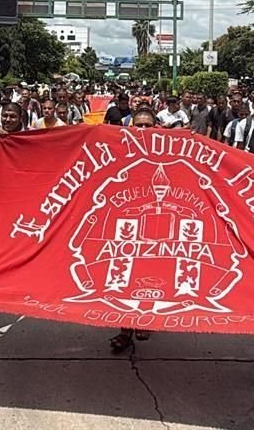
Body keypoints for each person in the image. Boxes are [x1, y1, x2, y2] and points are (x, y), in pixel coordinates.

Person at [109, 106, 157, 352]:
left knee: (150, 276)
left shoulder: (167, 155)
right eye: (138, 124)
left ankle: (145, 321)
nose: (143, 129)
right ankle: (125, 329)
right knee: (124, 278)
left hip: (155, 229)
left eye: (148, 125)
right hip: (126, 227)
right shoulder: (118, 153)